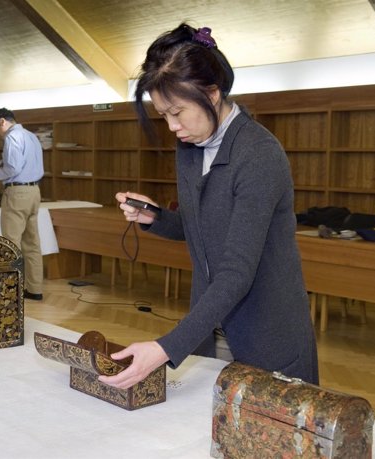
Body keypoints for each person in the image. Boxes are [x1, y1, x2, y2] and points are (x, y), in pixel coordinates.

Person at [98, 24, 319, 389]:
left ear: (212, 93)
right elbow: (200, 228)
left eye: (177, 112)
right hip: (209, 325)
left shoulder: (258, 154)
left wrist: (167, 347)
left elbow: (236, 270)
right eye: (163, 115)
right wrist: (157, 218)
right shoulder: (190, 147)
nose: (172, 127)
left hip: (265, 330)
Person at [0, 108, 45, 301]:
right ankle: (35, 289)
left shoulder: (12, 137)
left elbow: (12, 168)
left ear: (2, 121)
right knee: (32, 244)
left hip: (17, 193)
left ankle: (12, 290)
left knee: (11, 243)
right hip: (34, 192)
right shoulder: (31, 137)